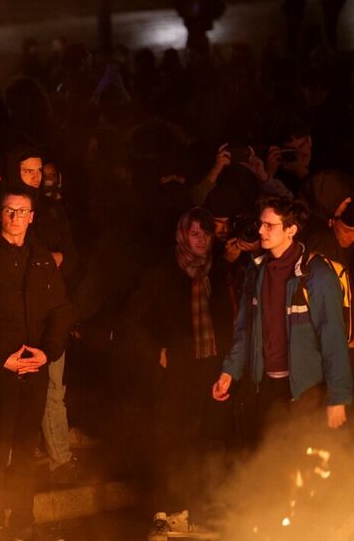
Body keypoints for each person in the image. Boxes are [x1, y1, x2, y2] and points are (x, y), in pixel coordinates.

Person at [0, 186, 76, 541]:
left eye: (22, 211)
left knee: (24, 448)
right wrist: (0, 356)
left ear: (32, 216)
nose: (16, 217)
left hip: (34, 366)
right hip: (2, 368)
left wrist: (46, 352)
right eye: (9, 211)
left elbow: (61, 309)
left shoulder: (41, 258)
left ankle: (21, 519)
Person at [124, 207, 233, 523]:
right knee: (171, 439)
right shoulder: (163, 272)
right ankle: (167, 506)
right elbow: (132, 319)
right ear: (183, 235)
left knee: (204, 439)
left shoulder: (217, 272)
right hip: (176, 368)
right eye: (195, 234)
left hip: (209, 366)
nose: (201, 241)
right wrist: (155, 350)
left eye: (206, 234)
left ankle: (196, 507)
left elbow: (228, 319)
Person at [212, 196, 352, 435]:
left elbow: (333, 338)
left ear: (291, 230)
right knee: (270, 460)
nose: (260, 230)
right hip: (266, 386)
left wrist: (338, 397)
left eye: (269, 225)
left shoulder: (316, 275)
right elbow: (245, 329)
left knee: (304, 464)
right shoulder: (256, 273)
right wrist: (229, 371)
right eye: (260, 223)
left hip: (306, 390)